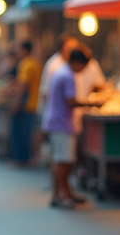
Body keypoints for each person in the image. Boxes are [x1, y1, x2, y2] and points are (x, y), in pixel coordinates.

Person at [42, 49, 100, 209]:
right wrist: (92, 103)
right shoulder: (67, 76)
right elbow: (71, 101)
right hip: (62, 124)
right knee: (63, 161)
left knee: (61, 160)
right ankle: (59, 195)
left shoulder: (61, 72)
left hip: (57, 122)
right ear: (77, 63)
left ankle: (64, 192)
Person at [11, 41, 42, 166]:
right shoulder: (36, 63)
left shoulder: (25, 64)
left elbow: (23, 86)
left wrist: (16, 103)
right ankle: (29, 158)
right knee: (29, 132)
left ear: (24, 50)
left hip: (26, 104)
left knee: (21, 133)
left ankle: (22, 159)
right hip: (34, 103)